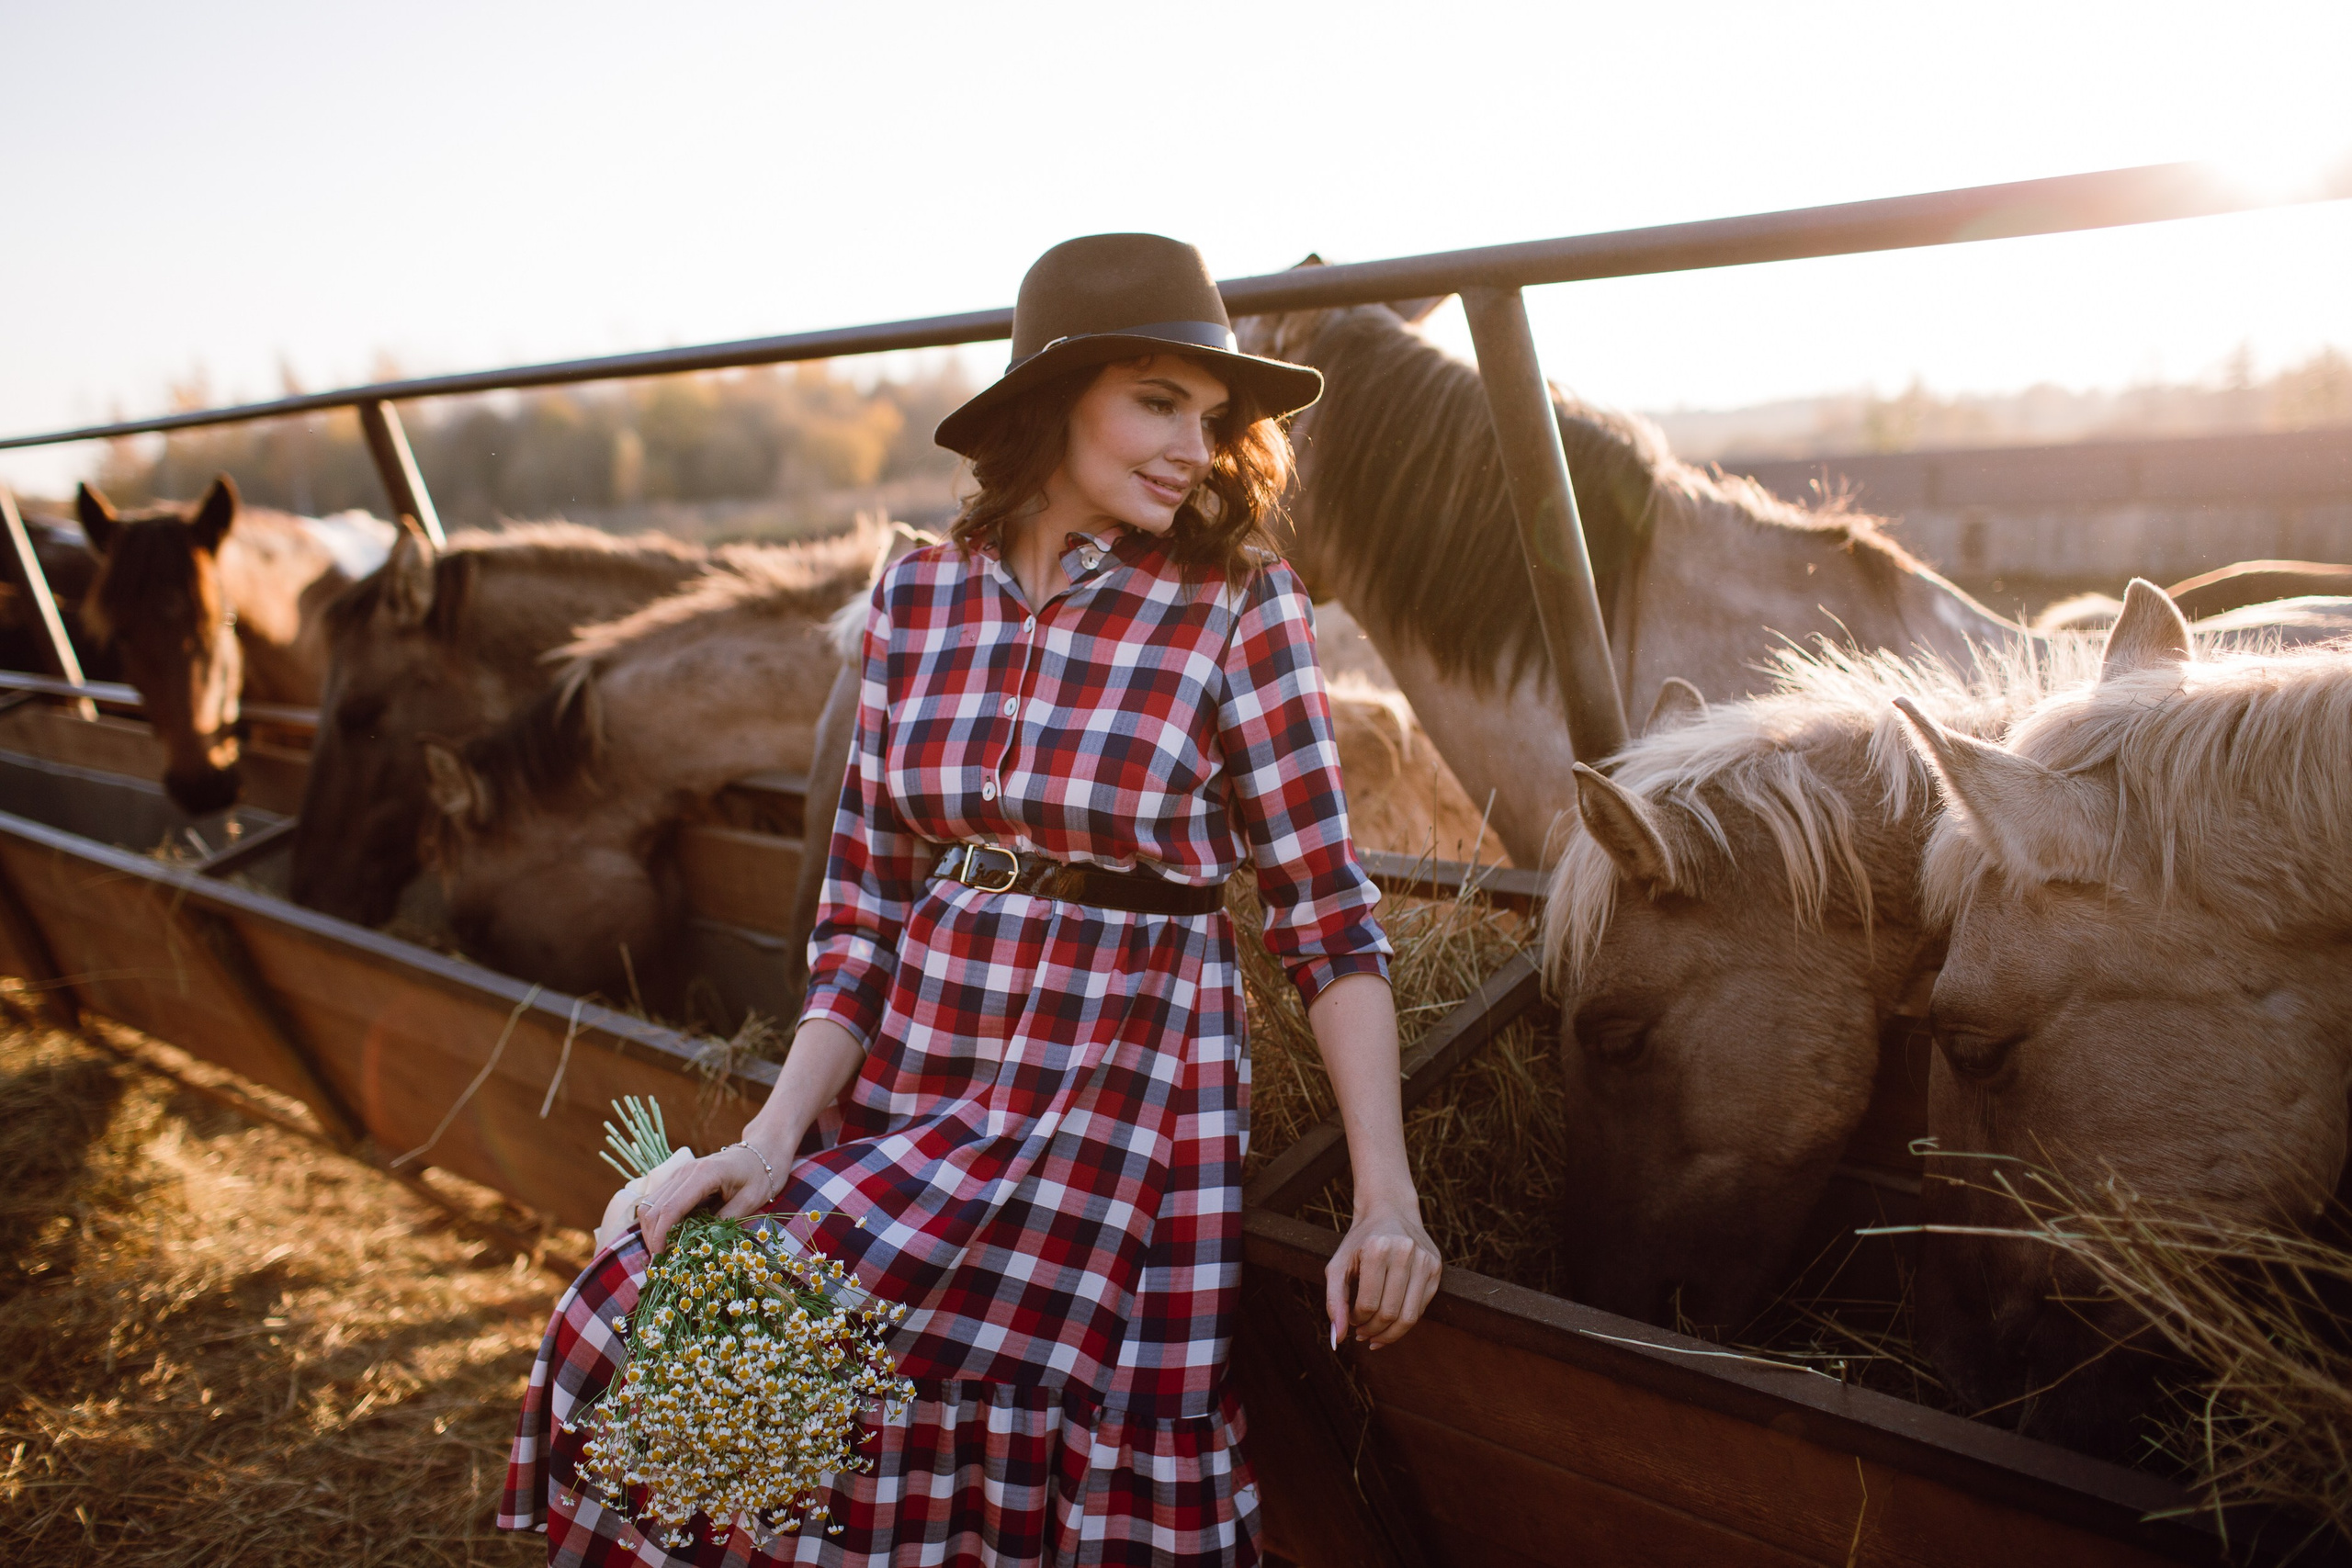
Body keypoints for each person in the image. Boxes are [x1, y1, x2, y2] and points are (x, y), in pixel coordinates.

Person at [502, 232, 1442, 1566]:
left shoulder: (1239, 606)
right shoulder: (918, 595)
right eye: (1158, 402)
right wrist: (771, 1136)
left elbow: (1328, 920)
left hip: (1116, 1090)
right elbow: (861, 911)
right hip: (926, 1057)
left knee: (1015, 1417)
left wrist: (1386, 1198)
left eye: (1212, 417)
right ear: (1053, 398)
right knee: (644, 1315)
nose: (1195, 448)